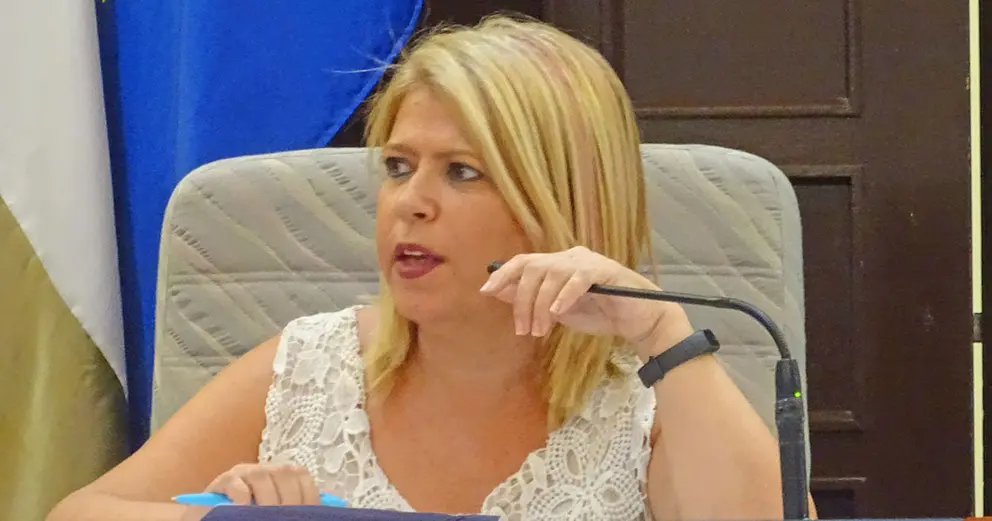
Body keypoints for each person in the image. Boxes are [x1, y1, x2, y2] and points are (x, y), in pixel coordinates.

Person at [48, 14, 813, 521]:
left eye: (461, 172)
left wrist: (663, 331)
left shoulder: (648, 403)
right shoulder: (312, 367)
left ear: (561, 203)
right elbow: (78, 513)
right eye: (398, 166)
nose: (409, 203)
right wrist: (228, 518)